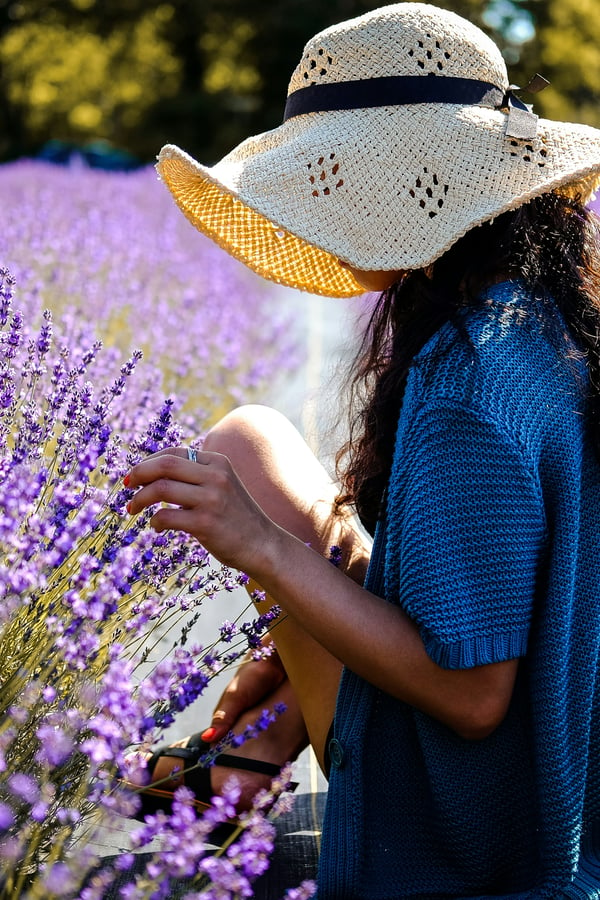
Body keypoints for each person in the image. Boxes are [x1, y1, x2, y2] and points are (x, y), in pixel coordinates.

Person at [124, 4, 600, 897]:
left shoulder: (470, 382)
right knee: (251, 442)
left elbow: (473, 697)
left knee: (251, 485)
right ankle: (260, 751)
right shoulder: (540, 316)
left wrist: (257, 548)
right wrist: (287, 647)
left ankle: (243, 766)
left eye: (333, 176)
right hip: (548, 772)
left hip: (478, 823)